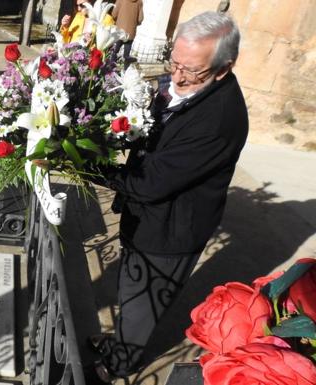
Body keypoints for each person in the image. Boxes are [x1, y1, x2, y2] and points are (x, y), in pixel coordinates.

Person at [87, 11, 248, 383]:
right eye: (173, 63)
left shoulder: (220, 118)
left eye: (191, 71)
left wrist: (85, 166)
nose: (176, 76)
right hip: (146, 215)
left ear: (223, 68)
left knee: (143, 300)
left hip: (170, 230)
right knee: (130, 289)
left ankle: (119, 364)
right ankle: (118, 344)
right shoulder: (184, 83)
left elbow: (150, 183)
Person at [110, 0, 143, 67]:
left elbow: (114, 14)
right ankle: (125, 71)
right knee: (126, 56)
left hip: (119, 32)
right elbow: (140, 19)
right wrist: (133, 23)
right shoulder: (139, 2)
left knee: (114, 52)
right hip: (131, 33)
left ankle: (110, 68)